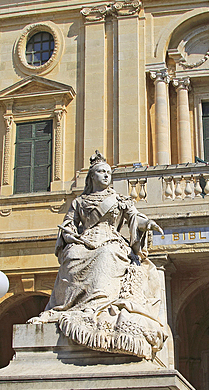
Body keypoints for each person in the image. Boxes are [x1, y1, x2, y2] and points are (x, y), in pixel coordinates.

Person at [30, 151, 168, 362]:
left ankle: (99, 304)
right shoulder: (80, 202)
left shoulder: (120, 199)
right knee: (73, 255)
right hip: (84, 240)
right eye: (101, 172)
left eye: (108, 173)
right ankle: (71, 306)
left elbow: (135, 218)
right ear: (92, 177)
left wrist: (147, 224)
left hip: (110, 241)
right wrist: (69, 234)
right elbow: (68, 224)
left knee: (106, 255)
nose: (106, 176)